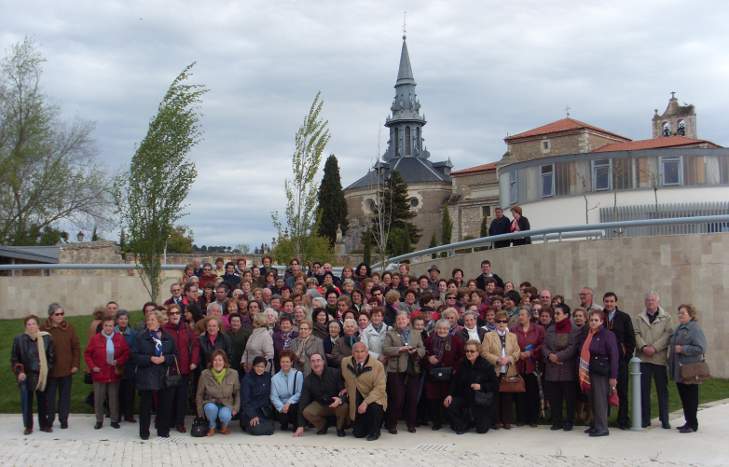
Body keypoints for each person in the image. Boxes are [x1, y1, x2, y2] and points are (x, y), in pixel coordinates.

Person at [133, 310, 176, 440]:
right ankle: (144, 432)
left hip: (164, 373)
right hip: (147, 373)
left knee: (165, 404)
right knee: (145, 405)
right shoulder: (141, 337)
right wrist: (150, 359)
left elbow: (175, 356)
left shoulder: (168, 337)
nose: (150, 322)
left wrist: (165, 359)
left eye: (152, 320)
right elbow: (135, 356)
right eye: (148, 320)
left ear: (159, 321)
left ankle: (163, 429)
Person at [634, 291, 673, 429]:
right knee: (644, 390)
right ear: (645, 302)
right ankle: (645, 419)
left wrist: (654, 348)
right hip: (643, 359)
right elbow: (636, 334)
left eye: (653, 300)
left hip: (659, 359)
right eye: (648, 300)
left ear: (658, 302)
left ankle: (665, 419)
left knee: (662, 390)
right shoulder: (639, 317)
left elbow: (668, 334)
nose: (650, 302)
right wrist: (644, 346)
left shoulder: (666, 317)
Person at [84, 316, 130, 430]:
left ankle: (114, 420)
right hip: (99, 373)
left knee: (113, 398)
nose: (108, 328)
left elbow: (126, 353)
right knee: (99, 399)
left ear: (114, 327)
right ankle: (99, 420)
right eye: (106, 325)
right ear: (102, 327)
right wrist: (92, 366)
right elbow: (87, 354)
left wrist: (118, 361)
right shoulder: (95, 339)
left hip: (113, 373)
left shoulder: (119, 338)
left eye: (111, 326)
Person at [11, 315, 54, 435]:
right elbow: (14, 359)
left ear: (38, 325)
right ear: (25, 326)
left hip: (42, 375)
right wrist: (19, 372)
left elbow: (51, 357)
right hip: (27, 375)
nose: (31, 326)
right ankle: (28, 426)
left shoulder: (46, 338)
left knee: (43, 401)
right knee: (27, 402)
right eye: (29, 324)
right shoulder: (19, 339)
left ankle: (44, 424)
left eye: (33, 324)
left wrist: (46, 369)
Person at [383, 312, 425, 433]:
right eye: (399, 319)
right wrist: (399, 349)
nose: (401, 321)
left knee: (412, 398)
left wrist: (416, 351)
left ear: (408, 320)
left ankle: (411, 424)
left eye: (403, 319)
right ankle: (392, 424)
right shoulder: (390, 333)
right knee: (397, 398)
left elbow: (422, 349)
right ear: (396, 321)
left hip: (412, 369)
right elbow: (385, 349)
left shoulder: (416, 333)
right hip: (395, 370)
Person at [444, 339, 498, 434]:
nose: (469, 353)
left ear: (478, 352)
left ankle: (476, 419)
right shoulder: (462, 363)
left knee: (482, 430)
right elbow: (455, 381)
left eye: (472, 351)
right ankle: (464, 424)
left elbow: (495, 385)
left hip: (480, 400)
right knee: (450, 405)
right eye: (467, 351)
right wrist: (449, 395)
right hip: (464, 397)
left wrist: (481, 386)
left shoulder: (486, 365)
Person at [579, 309, 619, 437]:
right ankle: (595, 424)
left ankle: (602, 427)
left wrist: (613, 376)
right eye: (591, 320)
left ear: (602, 321)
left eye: (596, 320)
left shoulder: (607, 335)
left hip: (601, 371)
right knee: (592, 399)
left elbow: (614, 356)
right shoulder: (589, 334)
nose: (593, 322)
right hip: (589, 370)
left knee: (600, 400)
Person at [668, 304, 707, 433]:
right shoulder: (679, 328)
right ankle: (688, 421)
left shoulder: (694, 329)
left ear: (690, 314)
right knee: (684, 396)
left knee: (691, 397)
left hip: (690, 370)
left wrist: (683, 349)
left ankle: (692, 424)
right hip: (680, 370)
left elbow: (701, 348)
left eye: (683, 313)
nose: (680, 315)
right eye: (679, 313)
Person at [41, 303, 80, 430]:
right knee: (50, 397)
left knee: (65, 397)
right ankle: (50, 420)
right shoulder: (43, 329)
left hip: (66, 369)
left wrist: (75, 364)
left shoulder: (69, 328)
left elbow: (76, 348)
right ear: (51, 315)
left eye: (62, 313)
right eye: (57, 314)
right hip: (51, 370)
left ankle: (64, 420)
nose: (60, 316)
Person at [163, 303, 201, 433]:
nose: (174, 315)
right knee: (168, 397)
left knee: (181, 398)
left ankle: (180, 423)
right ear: (168, 315)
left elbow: (195, 345)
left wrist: (194, 361)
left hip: (184, 369)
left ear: (180, 315)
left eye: (177, 313)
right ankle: (167, 421)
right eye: (172, 313)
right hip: (169, 369)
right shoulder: (164, 330)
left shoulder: (187, 329)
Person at [481, 310, 520, 429]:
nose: (501, 324)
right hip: (495, 370)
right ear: (495, 322)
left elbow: (517, 352)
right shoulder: (489, 335)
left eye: (504, 321)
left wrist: (509, 358)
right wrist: (497, 359)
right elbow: (484, 352)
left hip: (508, 370)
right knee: (495, 397)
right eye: (499, 321)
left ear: (507, 323)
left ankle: (507, 420)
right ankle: (496, 421)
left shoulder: (512, 336)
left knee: (507, 397)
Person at [341, 342, 387, 441]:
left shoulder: (378, 365)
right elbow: (346, 378)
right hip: (356, 397)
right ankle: (365, 426)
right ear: (352, 353)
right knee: (358, 434)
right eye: (356, 352)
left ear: (367, 353)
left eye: (362, 351)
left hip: (374, 398)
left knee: (375, 406)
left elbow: (380, 388)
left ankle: (375, 431)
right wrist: (347, 388)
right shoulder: (345, 362)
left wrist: (366, 402)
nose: (359, 354)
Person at [543, 304, 578, 431]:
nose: (555, 316)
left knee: (569, 398)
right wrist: (549, 355)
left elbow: (572, 347)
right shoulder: (551, 329)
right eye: (555, 313)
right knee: (554, 397)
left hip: (566, 368)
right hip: (552, 368)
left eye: (558, 313)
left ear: (566, 315)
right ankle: (557, 420)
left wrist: (558, 357)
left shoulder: (573, 330)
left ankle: (569, 421)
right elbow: (544, 346)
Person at [295, 353, 349, 437]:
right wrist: (300, 425)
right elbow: (303, 402)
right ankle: (322, 425)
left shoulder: (335, 373)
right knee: (307, 412)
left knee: (344, 406)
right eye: (313, 361)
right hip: (321, 404)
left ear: (323, 362)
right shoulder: (308, 380)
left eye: (318, 360)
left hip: (336, 404)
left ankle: (340, 428)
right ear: (310, 364)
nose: (316, 364)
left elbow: (345, 390)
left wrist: (340, 399)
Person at [603, 292, 635, 430]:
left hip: (620, 359)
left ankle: (623, 419)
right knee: (602, 390)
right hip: (603, 359)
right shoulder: (599, 316)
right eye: (606, 301)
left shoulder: (624, 317)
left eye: (611, 301)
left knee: (622, 390)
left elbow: (630, 339)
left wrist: (626, 357)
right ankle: (603, 418)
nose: (609, 304)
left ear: (616, 302)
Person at [425, 319, 464, 430]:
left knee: (446, 397)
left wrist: (455, 368)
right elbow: (423, 353)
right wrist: (428, 358)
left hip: (449, 374)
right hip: (433, 374)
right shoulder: (429, 340)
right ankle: (436, 422)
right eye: (440, 328)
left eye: (445, 328)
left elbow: (461, 356)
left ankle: (447, 420)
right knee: (433, 399)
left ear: (449, 329)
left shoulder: (455, 340)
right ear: (436, 329)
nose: (442, 330)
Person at [511, 307, 544, 427]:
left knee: (533, 393)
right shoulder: (513, 329)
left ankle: (533, 419)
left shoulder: (538, 329)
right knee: (520, 393)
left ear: (529, 316)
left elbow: (542, 344)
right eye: (519, 315)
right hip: (518, 365)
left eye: (522, 315)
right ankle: (521, 418)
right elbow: (510, 344)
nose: (520, 317)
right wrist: (518, 354)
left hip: (533, 366)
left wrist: (531, 353)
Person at [196, 350, 240, 436]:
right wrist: (200, 412)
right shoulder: (205, 374)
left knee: (225, 415)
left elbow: (237, 392)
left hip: (226, 404)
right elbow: (199, 394)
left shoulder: (233, 373)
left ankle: (224, 426)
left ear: (224, 361)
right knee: (211, 408)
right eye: (215, 360)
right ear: (212, 362)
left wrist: (236, 407)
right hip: (210, 403)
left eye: (220, 360)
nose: (217, 362)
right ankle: (212, 426)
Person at [240, 356, 275, 435]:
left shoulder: (267, 377)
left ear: (265, 367)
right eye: (257, 366)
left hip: (263, 412)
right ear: (253, 366)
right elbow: (245, 401)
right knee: (258, 429)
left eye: (262, 367)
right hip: (250, 412)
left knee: (271, 428)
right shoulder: (247, 379)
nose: (260, 369)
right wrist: (252, 415)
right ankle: (247, 424)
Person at [270, 351, 304, 431]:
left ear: (291, 362)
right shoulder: (274, 378)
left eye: (287, 362)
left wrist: (289, 403)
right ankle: (284, 422)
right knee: (282, 416)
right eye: (282, 362)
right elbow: (273, 396)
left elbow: (299, 392)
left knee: (293, 409)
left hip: (294, 405)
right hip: (281, 406)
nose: (285, 364)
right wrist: (282, 407)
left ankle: (296, 423)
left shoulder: (298, 374)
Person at [115, 310, 137, 422]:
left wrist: (126, 355)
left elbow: (134, 349)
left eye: (125, 319)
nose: (123, 321)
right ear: (117, 320)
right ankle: (117, 414)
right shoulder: (112, 332)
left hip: (129, 365)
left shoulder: (133, 333)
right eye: (121, 319)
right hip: (115, 366)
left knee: (129, 391)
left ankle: (129, 414)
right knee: (117, 391)